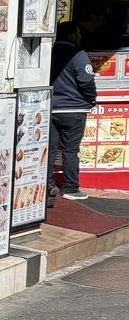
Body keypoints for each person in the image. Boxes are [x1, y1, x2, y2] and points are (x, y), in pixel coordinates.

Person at [48, 20, 98, 202]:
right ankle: (71, 188)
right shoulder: (78, 54)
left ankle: (47, 184)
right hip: (74, 110)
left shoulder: (48, 52)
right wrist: (91, 98)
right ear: (71, 35)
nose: (80, 37)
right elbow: (86, 80)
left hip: (50, 108)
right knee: (70, 150)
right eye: (78, 33)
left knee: (50, 149)